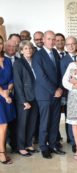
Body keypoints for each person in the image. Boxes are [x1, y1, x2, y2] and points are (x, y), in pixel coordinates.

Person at [32, 30, 65, 159]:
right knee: (45, 122)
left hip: (57, 95)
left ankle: (53, 145)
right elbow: (41, 77)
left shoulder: (56, 53)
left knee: (54, 122)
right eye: (49, 39)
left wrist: (61, 88)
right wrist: (54, 90)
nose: (52, 41)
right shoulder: (38, 56)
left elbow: (60, 73)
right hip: (45, 95)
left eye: (53, 39)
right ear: (44, 40)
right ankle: (43, 147)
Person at [13, 40, 38, 157]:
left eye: (30, 48)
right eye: (26, 49)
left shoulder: (35, 61)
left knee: (32, 122)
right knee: (23, 123)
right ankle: (21, 146)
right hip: (24, 99)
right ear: (21, 51)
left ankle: (29, 144)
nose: (29, 50)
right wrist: (23, 101)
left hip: (35, 96)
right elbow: (17, 84)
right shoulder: (18, 63)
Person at [60, 36, 77, 152]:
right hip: (69, 93)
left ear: (76, 44)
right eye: (68, 44)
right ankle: (73, 141)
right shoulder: (63, 60)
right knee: (71, 118)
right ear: (65, 46)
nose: (71, 46)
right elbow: (63, 78)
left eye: (73, 44)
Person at [0, 35, 15, 164]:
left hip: (7, 94)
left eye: (0, 43)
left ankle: (2, 149)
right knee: (3, 125)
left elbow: (11, 79)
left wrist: (8, 91)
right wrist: (4, 94)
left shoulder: (7, 60)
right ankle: (2, 153)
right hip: (1, 96)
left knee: (5, 125)